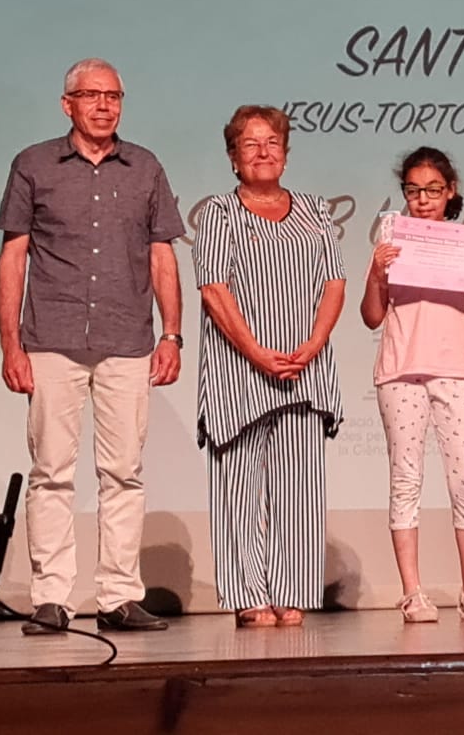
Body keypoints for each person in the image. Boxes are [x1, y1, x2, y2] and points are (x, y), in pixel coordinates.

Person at [0, 58, 186, 634]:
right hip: (51, 339)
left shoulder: (144, 167)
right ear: (68, 104)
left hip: (127, 339)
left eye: (114, 96)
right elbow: (13, 257)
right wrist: (10, 345)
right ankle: (51, 598)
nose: (104, 106)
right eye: (91, 95)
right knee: (51, 471)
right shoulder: (33, 164)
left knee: (124, 472)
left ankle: (119, 596)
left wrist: (172, 333)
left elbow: (162, 254)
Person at [192, 106, 346, 627]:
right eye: (250, 144)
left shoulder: (316, 210)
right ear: (233, 157)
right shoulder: (219, 212)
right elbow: (214, 289)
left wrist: (314, 343)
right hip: (240, 371)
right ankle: (248, 594)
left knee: (300, 487)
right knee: (238, 486)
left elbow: (334, 283)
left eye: (272, 142)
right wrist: (257, 353)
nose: (263, 152)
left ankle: (292, 589)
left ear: (286, 152)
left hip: (305, 367)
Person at [360, 147, 464, 622]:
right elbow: (371, 316)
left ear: (450, 192)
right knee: (406, 479)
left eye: (432, 189)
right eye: (413, 190)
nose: (423, 199)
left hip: (456, 371)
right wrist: (377, 273)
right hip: (401, 370)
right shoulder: (393, 243)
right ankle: (412, 592)